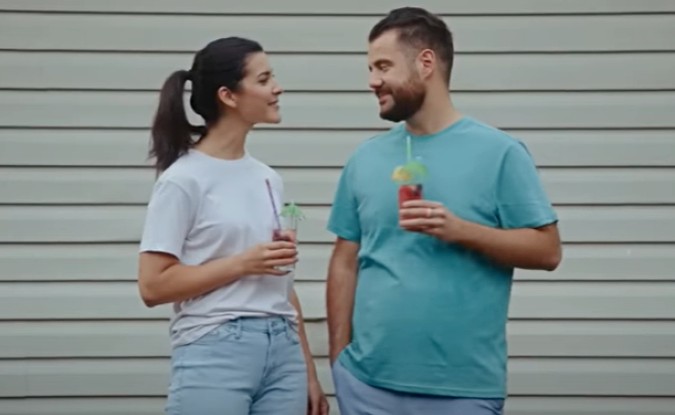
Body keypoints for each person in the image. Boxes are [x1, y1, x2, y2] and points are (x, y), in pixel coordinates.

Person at [326, 7, 562, 415]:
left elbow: (547, 251)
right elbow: (345, 260)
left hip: (463, 390)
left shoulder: (500, 152)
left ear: (426, 63)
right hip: (366, 386)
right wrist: (339, 362)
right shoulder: (364, 159)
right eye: (369, 68)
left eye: (383, 65)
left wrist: (462, 230)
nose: (372, 81)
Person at [137, 36, 329, 415]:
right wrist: (242, 263)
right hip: (216, 345)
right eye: (264, 79)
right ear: (229, 95)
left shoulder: (267, 179)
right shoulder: (183, 180)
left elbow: (280, 282)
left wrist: (308, 371)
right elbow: (153, 285)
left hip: (282, 350)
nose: (277, 88)